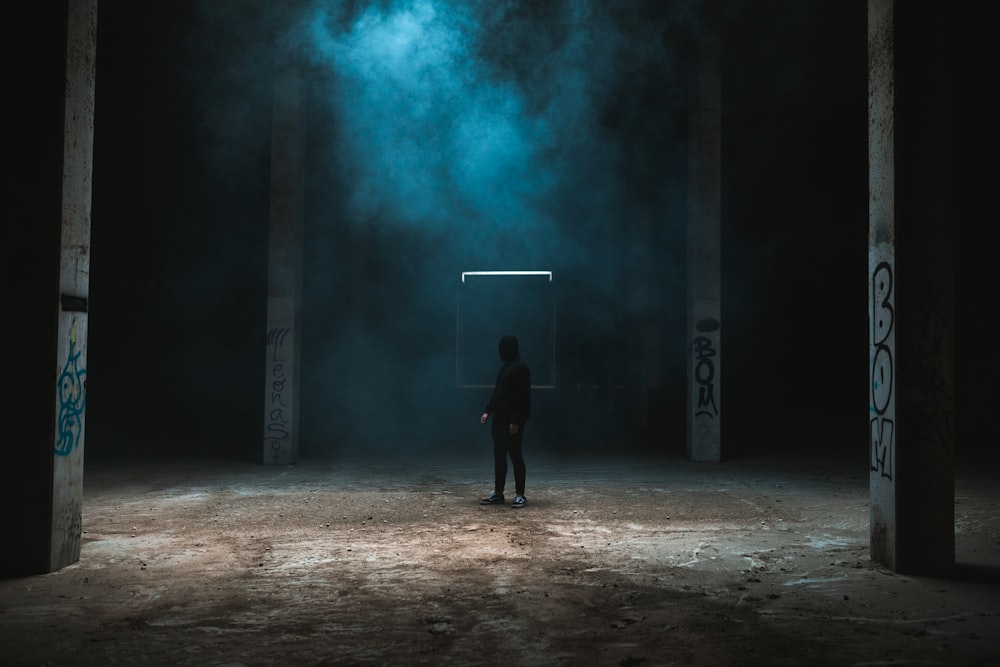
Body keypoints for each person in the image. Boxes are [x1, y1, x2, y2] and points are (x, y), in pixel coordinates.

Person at [480, 334, 531, 508]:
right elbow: (498, 393)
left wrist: (515, 421)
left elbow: (522, 398)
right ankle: (499, 493)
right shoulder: (505, 368)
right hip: (500, 420)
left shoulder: (521, 368)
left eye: (502, 349)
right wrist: (488, 410)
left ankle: (520, 494)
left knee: (515, 456)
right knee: (499, 456)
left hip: (511, 422)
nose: (500, 352)